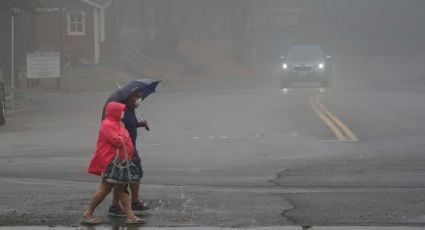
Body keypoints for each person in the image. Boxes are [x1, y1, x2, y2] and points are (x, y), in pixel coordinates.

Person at [82, 101, 145, 225]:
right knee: (104, 189)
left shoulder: (117, 124)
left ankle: (130, 216)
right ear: (114, 112)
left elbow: (125, 139)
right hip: (110, 164)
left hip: (120, 163)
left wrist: (124, 134)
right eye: (121, 111)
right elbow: (118, 140)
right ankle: (88, 213)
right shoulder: (107, 124)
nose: (123, 113)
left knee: (122, 190)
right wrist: (124, 134)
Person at [102, 90, 151, 216]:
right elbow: (119, 128)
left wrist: (140, 124)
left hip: (130, 147)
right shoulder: (122, 112)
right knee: (131, 175)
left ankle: (118, 205)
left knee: (123, 178)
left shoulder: (131, 110)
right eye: (137, 97)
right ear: (130, 97)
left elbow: (132, 124)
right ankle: (131, 203)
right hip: (125, 149)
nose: (139, 99)